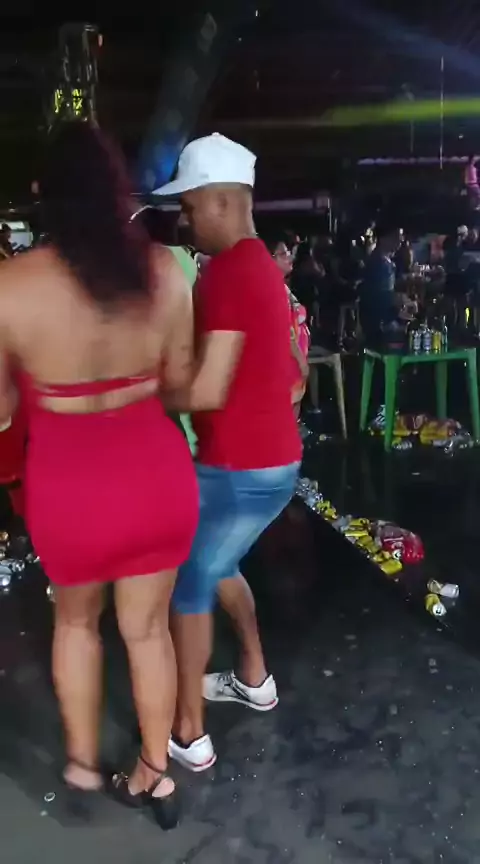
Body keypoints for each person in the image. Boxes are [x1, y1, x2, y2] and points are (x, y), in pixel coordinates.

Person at [0, 122, 199, 829]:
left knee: (76, 623)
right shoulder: (166, 271)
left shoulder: (11, 286)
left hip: (70, 488)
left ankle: (83, 763)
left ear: (42, 195)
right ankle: (156, 774)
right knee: (147, 632)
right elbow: (179, 382)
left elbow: (0, 410)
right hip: (157, 475)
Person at [155, 133, 301, 772]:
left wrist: (144, 391)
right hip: (273, 462)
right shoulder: (262, 266)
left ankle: (188, 732)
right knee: (219, 563)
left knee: (188, 582)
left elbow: (204, 391)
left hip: (238, 468)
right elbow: (296, 376)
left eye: (188, 207)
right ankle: (254, 676)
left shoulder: (229, 273)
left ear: (219, 200)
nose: (185, 221)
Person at [264, 235, 310, 418]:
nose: (289, 257)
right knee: (287, 416)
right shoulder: (274, 290)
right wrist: (301, 361)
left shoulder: (280, 286)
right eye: (283, 254)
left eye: (289, 252)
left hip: (291, 363)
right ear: (269, 260)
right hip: (288, 363)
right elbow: (285, 332)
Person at [358, 225, 407, 345]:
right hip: (379, 323)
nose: (400, 240)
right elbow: (377, 295)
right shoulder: (379, 263)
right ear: (383, 239)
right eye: (396, 237)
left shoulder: (385, 261)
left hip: (384, 319)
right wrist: (398, 299)